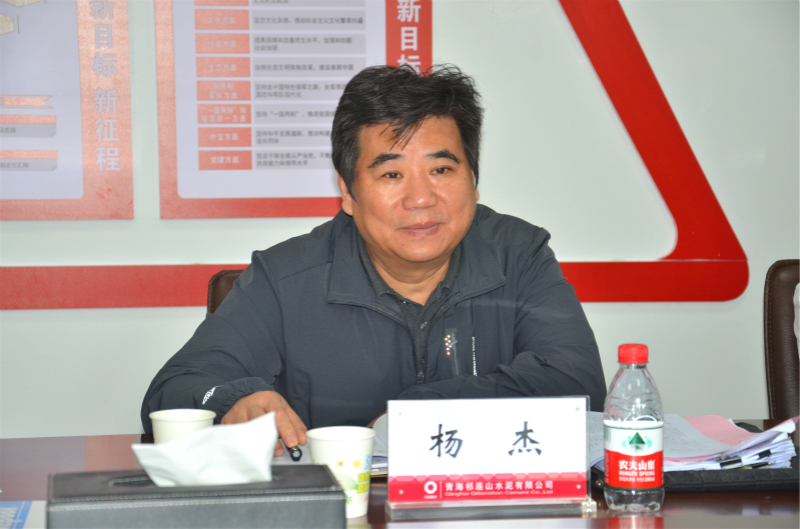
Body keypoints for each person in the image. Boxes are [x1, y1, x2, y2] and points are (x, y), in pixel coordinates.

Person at [142, 64, 606, 456]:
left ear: (473, 180)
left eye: (441, 169)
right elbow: (174, 390)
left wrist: (412, 414)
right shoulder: (286, 279)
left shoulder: (518, 254)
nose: (421, 198)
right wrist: (234, 399)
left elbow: (577, 385)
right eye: (391, 174)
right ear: (347, 191)